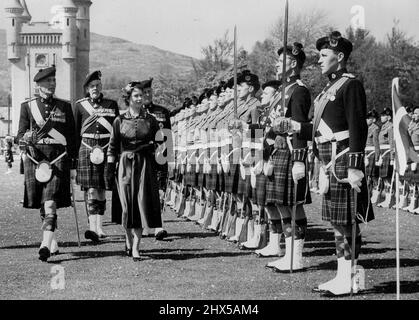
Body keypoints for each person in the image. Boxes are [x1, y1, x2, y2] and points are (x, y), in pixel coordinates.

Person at [282, 31, 374, 296]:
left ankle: (350, 276)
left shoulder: (350, 85)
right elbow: (321, 129)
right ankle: (342, 275)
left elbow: (358, 126)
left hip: (344, 161)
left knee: (347, 223)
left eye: (324, 55)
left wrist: (356, 165)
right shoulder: (327, 89)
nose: (319, 61)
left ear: (340, 56)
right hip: (329, 163)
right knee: (336, 222)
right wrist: (296, 126)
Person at [16, 66, 77, 262]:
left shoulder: (64, 106)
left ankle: (44, 245)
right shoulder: (27, 106)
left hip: (58, 159)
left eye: (54, 81)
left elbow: (72, 137)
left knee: (51, 202)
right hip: (36, 158)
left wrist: (73, 163)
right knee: (43, 203)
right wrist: (25, 138)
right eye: (48, 81)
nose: (52, 84)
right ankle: (52, 240)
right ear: (39, 84)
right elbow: (19, 136)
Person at [260, 43, 312, 273]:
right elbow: (271, 127)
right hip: (277, 151)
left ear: (292, 63)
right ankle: (287, 254)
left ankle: (296, 258)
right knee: (281, 206)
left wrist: (300, 159)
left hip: (291, 152)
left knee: (294, 205)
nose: (275, 65)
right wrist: (265, 154)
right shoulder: (282, 91)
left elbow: (300, 126)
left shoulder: (298, 90)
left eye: (279, 60)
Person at [106, 81, 162, 261]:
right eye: (136, 96)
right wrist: (109, 169)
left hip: (145, 166)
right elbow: (112, 147)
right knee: (126, 207)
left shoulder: (151, 120)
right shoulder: (119, 120)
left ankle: (136, 248)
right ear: (128, 99)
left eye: (141, 95)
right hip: (124, 166)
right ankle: (128, 239)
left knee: (141, 205)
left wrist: (160, 166)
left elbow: (160, 144)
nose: (140, 98)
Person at [74, 70, 119, 243]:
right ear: (87, 88)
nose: (95, 88)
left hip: (106, 148)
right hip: (86, 149)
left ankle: (99, 227)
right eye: (91, 86)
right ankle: (92, 227)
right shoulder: (80, 105)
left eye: (97, 85)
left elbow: (116, 132)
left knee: (101, 189)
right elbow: (75, 133)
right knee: (91, 190)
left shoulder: (111, 104)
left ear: (101, 86)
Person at [140, 78, 171, 240]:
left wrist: (169, 159)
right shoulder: (136, 113)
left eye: (149, 92)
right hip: (144, 156)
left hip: (160, 156)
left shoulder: (162, 112)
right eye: (144, 92)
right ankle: (145, 226)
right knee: (144, 192)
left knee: (159, 192)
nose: (147, 95)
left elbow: (168, 136)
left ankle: (159, 226)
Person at [375, 107, 395, 208]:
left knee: (387, 178)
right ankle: (387, 199)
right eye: (381, 115)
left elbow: (391, 142)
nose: (381, 117)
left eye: (384, 115)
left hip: (387, 153)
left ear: (389, 117)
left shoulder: (390, 127)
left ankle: (390, 200)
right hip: (383, 154)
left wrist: (392, 157)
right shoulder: (383, 127)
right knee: (384, 178)